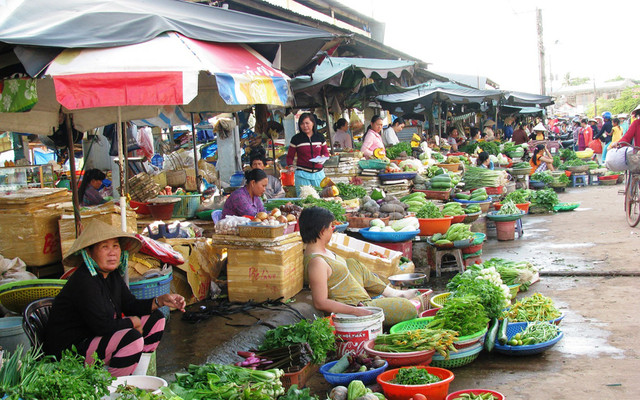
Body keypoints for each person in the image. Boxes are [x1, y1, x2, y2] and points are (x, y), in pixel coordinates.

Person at [44, 220, 185, 377]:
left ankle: (138, 378)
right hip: (70, 350)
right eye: (105, 247)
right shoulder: (84, 281)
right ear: (89, 253)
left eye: (115, 246)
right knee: (131, 339)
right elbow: (102, 326)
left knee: (156, 318)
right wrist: (132, 322)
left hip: (94, 337)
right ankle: (114, 389)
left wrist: (159, 301)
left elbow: (129, 304)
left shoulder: (111, 276)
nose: (112, 252)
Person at [300, 207, 418, 326]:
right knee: (409, 308)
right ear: (322, 231)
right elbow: (320, 302)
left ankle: (392, 293)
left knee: (352, 263)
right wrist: (356, 311)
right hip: (355, 305)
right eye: (331, 226)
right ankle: (377, 301)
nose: (333, 230)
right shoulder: (317, 263)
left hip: (355, 294)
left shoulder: (321, 251)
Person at [286, 113, 330, 195]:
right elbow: (290, 156)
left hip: (318, 174)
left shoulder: (320, 137)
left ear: (313, 123)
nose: (305, 126)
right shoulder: (296, 139)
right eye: (302, 124)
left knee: (321, 198)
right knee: (304, 199)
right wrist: (290, 166)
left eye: (307, 123)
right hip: (302, 174)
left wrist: (323, 158)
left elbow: (325, 153)